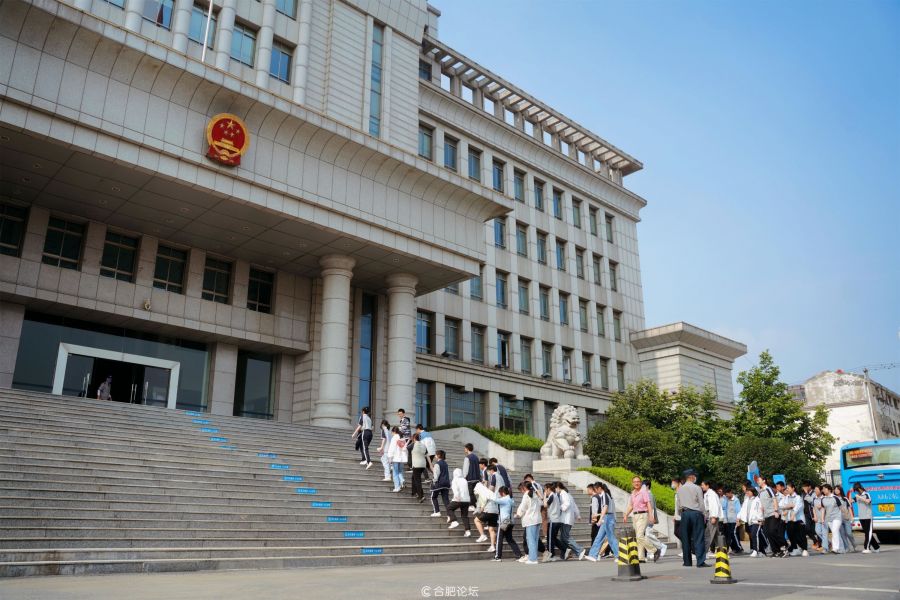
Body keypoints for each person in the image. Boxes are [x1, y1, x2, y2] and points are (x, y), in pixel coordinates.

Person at [675, 469, 709, 567]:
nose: (695, 478)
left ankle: (687, 562)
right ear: (691, 477)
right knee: (698, 537)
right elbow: (701, 503)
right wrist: (704, 514)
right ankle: (700, 561)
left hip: (685, 514)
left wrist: (680, 514)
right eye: (694, 476)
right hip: (696, 513)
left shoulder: (680, 489)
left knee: (685, 538)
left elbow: (678, 504)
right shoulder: (697, 488)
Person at [623, 475, 657, 562]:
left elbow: (648, 504)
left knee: (639, 536)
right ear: (632, 483)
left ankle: (654, 550)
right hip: (635, 516)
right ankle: (641, 557)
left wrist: (651, 515)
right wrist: (626, 514)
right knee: (638, 537)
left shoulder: (643, 492)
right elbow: (631, 506)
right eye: (634, 482)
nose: (636, 483)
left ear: (641, 483)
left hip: (643, 515)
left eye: (638, 481)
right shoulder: (633, 493)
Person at [585, 482, 618, 561]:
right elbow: (606, 509)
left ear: (599, 488)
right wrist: (599, 515)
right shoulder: (605, 495)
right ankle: (593, 555)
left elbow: (605, 508)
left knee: (611, 538)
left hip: (608, 518)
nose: (595, 491)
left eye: (596, 489)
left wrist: (600, 519)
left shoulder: (605, 495)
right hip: (607, 517)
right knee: (599, 537)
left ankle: (619, 555)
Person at [756, 475, 787, 557]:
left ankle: (784, 546)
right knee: (767, 533)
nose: (758, 482)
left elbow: (774, 499)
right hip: (766, 515)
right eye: (757, 480)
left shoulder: (768, 489)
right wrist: (761, 517)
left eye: (759, 480)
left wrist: (776, 511)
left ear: (764, 481)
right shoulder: (760, 492)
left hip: (773, 513)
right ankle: (776, 551)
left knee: (773, 531)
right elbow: (761, 505)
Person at [556, 482, 586, 560]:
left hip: (565, 519)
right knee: (563, 537)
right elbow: (574, 506)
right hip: (567, 519)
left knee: (565, 537)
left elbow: (567, 504)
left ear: (558, 487)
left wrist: (560, 508)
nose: (555, 490)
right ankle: (565, 554)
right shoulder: (568, 495)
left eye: (555, 488)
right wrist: (578, 515)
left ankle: (579, 550)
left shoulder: (563, 494)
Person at [492, 486, 522, 562]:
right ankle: (518, 555)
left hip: (504, 522)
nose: (499, 494)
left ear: (502, 493)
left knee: (499, 539)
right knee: (510, 539)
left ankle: (498, 556)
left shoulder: (504, 499)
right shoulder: (511, 500)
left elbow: (494, 499)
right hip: (511, 521)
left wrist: (493, 492)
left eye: (500, 493)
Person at [516, 481, 542, 564]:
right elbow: (541, 503)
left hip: (530, 520)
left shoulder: (526, 495)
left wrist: (518, 514)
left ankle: (533, 559)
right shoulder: (535, 494)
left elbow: (523, 507)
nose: (521, 491)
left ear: (524, 487)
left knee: (530, 540)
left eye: (521, 489)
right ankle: (533, 557)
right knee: (535, 540)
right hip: (537, 519)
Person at [851, 482, 880, 553]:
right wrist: (850, 492)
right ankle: (876, 547)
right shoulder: (857, 495)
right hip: (861, 517)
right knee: (867, 533)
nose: (856, 491)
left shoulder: (866, 494)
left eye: (857, 490)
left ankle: (867, 548)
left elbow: (868, 501)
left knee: (868, 533)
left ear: (859, 488)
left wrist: (860, 497)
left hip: (868, 516)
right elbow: (850, 501)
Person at [781, 482, 809, 556]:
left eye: (788, 488)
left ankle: (805, 549)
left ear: (793, 488)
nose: (787, 489)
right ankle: (795, 549)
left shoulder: (798, 497)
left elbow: (797, 508)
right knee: (790, 534)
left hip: (798, 519)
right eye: (787, 488)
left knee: (801, 535)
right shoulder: (786, 497)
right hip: (790, 519)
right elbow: (781, 505)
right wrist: (789, 506)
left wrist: (792, 513)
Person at [643, 479, 667, 562]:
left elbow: (652, 508)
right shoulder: (646, 494)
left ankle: (661, 546)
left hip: (649, 517)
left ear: (647, 486)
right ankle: (652, 551)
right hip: (646, 517)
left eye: (643, 486)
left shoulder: (649, 495)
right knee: (646, 535)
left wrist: (651, 518)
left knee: (648, 534)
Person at [474, 481, 499, 551]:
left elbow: (483, 501)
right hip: (495, 512)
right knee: (491, 529)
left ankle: (482, 535)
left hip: (488, 510)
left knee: (476, 520)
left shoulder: (482, 492)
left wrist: (481, 510)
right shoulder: (490, 492)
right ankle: (492, 546)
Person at [447, 468, 472, 537]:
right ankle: (468, 531)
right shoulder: (464, 480)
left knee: (449, 508)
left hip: (459, 499)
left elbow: (455, 490)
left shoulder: (455, 480)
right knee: (464, 516)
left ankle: (454, 521)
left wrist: (456, 497)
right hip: (466, 500)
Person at [701, 480, 724, 556]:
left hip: (712, 516)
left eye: (703, 485)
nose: (702, 486)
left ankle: (704, 552)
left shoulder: (711, 494)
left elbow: (714, 506)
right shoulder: (707, 494)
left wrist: (713, 517)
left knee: (708, 534)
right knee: (716, 535)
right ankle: (722, 551)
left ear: (707, 485)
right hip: (710, 516)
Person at [820, 484, 843, 553]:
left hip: (837, 517)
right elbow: (823, 509)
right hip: (829, 518)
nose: (823, 490)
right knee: (835, 532)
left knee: (835, 530)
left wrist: (845, 517)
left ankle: (835, 548)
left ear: (829, 490)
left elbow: (841, 508)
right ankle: (841, 548)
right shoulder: (823, 499)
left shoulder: (835, 498)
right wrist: (822, 518)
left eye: (825, 489)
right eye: (823, 489)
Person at [543, 482, 563, 562]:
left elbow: (545, 505)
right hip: (556, 520)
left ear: (548, 489)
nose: (545, 491)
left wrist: (544, 496)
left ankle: (551, 555)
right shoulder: (555, 496)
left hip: (553, 520)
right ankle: (563, 550)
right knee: (553, 538)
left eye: (545, 490)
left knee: (550, 539)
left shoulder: (552, 496)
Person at [834, 485, 857, 553]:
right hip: (838, 519)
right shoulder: (833, 499)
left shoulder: (845, 499)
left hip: (846, 518)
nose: (836, 490)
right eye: (835, 489)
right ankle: (847, 547)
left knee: (849, 533)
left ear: (840, 490)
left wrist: (852, 517)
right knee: (843, 535)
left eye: (838, 489)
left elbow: (849, 508)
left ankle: (854, 544)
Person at [429, 450, 452, 518]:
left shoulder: (437, 464)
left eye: (436, 455)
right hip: (446, 483)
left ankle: (437, 512)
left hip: (439, 483)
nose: (435, 456)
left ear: (438, 455)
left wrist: (433, 481)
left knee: (433, 497)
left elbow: (436, 475)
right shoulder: (445, 463)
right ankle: (450, 514)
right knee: (446, 499)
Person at [721, 487, 743, 554]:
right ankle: (734, 549)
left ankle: (739, 548)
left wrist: (738, 520)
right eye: (725, 494)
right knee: (730, 536)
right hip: (728, 521)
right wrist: (725, 519)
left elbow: (738, 510)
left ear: (730, 493)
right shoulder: (726, 499)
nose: (726, 496)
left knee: (734, 534)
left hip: (735, 520)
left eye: (727, 494)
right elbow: (724, 509)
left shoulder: (736, 500)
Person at [801, 481, 822, 551]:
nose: (804, 488)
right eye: (803, 487)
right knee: (807, 528)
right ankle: (815, 541)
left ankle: (820, 544)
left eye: (805, 486)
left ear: (809, 487)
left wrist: (806, 493)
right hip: (806, 514)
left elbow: (811, 500)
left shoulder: (813, 493)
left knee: (817, 530)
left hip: (814, 513)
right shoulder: (803, 494)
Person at [387, 426, 408, 492]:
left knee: (395, 473)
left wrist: (390, 456)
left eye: (392, 432)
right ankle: (402, 480)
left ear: (394, 432)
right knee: (400, 471)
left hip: (395, 458)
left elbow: (392, 448)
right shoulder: (402, 438)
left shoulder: (394, 438)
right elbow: (405, 448)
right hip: (401, 458)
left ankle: (397, 487)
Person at [462, 444, 481, 510]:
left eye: (465, 448)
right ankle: (475, 505)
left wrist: (464, 477)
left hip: (470, 478)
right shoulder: (476, 457)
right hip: (476, 478)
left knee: (470, 492)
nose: (464, 449)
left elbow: (465, 469)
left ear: (467, 449)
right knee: (472, 492)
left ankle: (471, 505)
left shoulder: (467, 458)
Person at [410, 432, 428, 502]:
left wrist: (409, 441)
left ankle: (421, 496)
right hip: (423, 465)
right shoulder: (423, 445)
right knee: (413, 477)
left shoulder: (413, 444)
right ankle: (414, 492)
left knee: (417, 480)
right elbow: (426, 453)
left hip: (416, 465)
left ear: (414, 438)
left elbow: (406, 448)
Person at [813, 485, 830, 553]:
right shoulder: (814, 499)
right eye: (815, 489)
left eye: (817, 489)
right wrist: (815, 516)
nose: (815, 491)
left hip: (824, 518)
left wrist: (823, 506)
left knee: (824, 533)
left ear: (820, 491)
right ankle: (828, 542)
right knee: (818, 532)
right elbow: (813, 508)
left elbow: (828, 507)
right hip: (818, 519)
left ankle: (825, 548)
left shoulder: (824, 498)